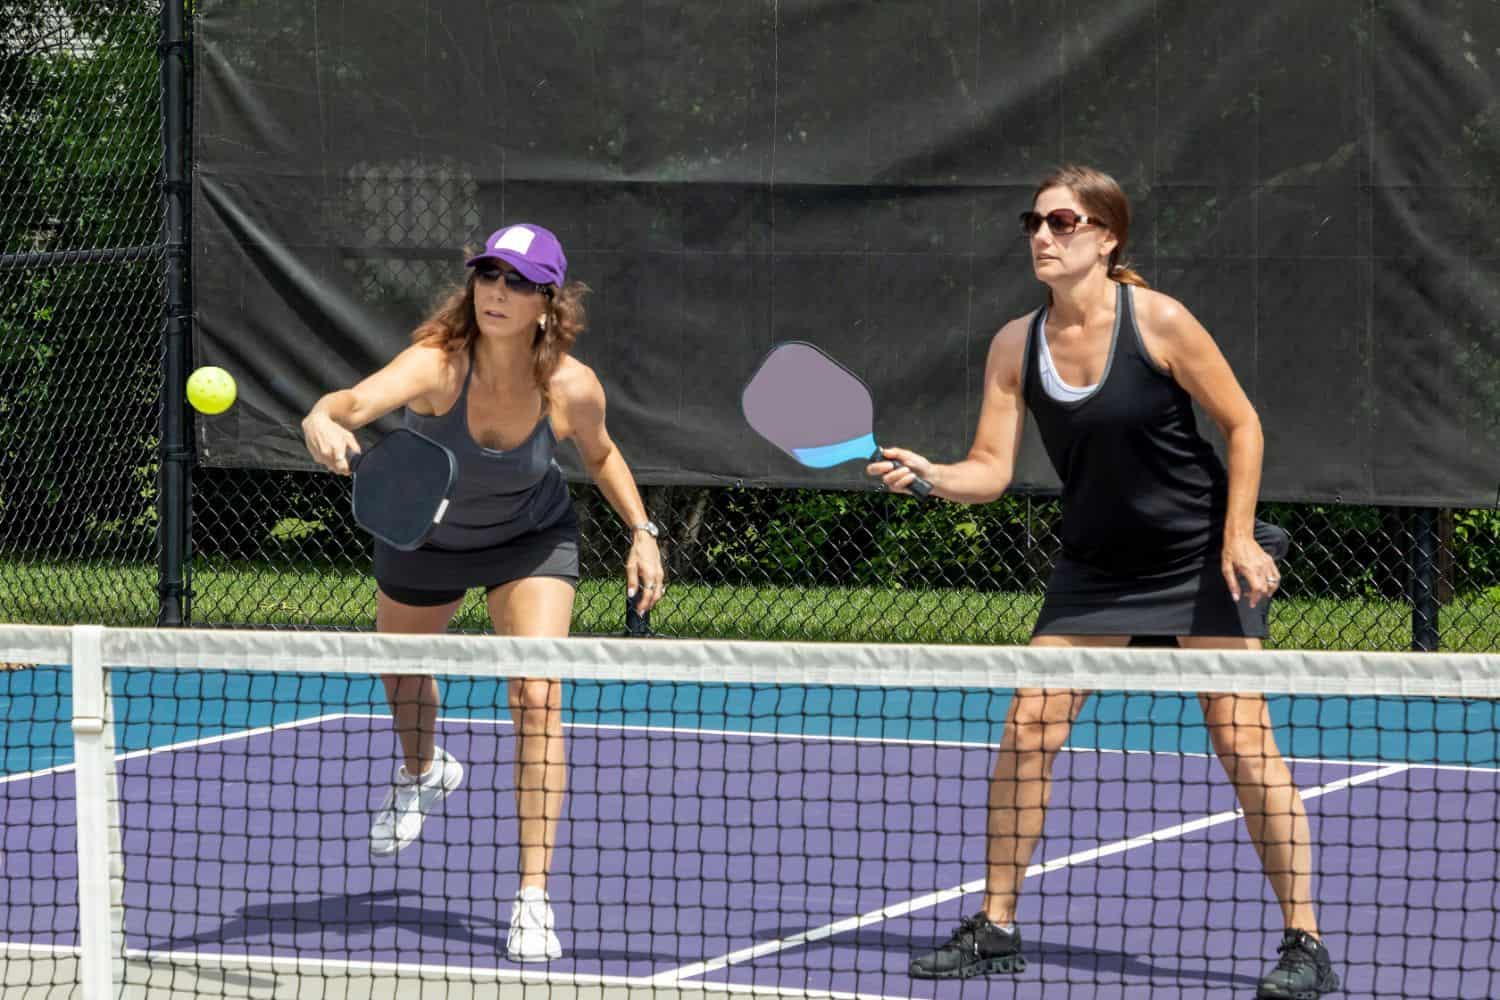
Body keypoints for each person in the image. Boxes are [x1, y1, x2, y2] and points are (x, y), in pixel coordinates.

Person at [872, 166, 1338, 999]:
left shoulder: (1158, 321)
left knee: (1241, 739)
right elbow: (989, 468)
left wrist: (1236, 535)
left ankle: (1304, 940)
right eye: (1034, 222)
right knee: (1029, 726)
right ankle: (998, 925)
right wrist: (935, 475)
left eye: (1062, 221)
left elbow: (1242, 423)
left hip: (1199, 556)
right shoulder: (1017, 342)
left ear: (1107, 236)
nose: (1042, 236)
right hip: (1096, 565)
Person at [301, 223, 666, 964]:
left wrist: (642, 529)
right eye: (489, 276)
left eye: (519, 282)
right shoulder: (437, 366)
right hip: (426, 539)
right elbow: (352, 402)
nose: (499, 292)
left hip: (528, 540)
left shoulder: (569, 385)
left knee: (537, 694)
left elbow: (599, 452)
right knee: (400, 671)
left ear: (547, 301)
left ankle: (532, 896)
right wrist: (321, 417)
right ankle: (422, 772)